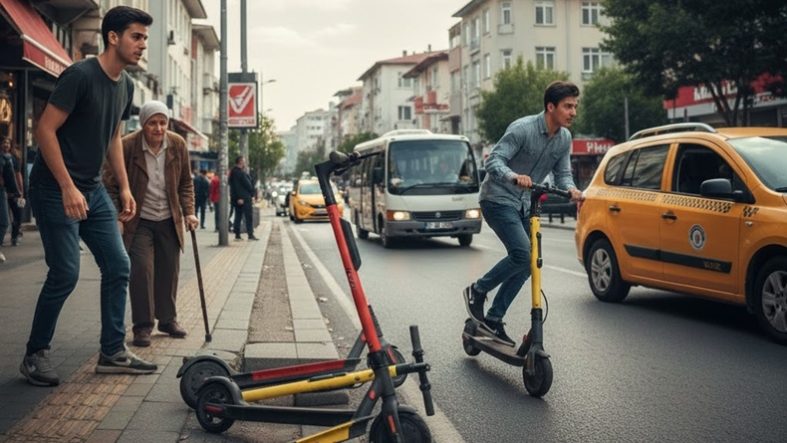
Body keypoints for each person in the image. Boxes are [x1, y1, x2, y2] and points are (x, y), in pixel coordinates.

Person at [20, 6, 157, 387]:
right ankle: (35, 354)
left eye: (144, 38)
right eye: (137, 36)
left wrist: (125, 186)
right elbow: (45, 130)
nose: (142, 45)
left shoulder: (126, 85)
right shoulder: (79, 75)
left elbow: (112, 135)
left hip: (93, 189)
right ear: (113, 37)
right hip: (53, 187)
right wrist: (66, 187)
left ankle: (113, 351)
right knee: (65, 272)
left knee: (119, 265)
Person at [463, 81, 583, 347]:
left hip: (525, 204)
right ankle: (479, 289)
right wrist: (513, 176)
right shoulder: (522, 129)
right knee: (522, 253)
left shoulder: (564, 138)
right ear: (550, 106)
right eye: (568, 106)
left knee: (530, 263)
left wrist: (572, 189)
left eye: (575, 106)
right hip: (497, 198)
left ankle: (493, 318)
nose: (573, 111)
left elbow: (563, 174)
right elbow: (493, 160)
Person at [103, 100, 198, 347]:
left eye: (162, 122)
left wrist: (189, 212)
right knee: (141, 271)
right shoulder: (126, 146)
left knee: (169, 270)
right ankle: (143, 326)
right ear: (143, 124)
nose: (158, 128)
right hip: (139, 220)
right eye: (152, 123)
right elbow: (109, 182)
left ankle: (167, 320)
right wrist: (118, 213)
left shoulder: (177, 144)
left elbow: (186, 183)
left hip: (169, 218)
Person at [228, 155, 258, 241]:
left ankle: (238, 234)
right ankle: (250, 234)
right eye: (244, 161)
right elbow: (237, 186)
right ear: (240, 161)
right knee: (247, 216)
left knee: (239, 216)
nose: (245, 163)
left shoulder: (237, 172)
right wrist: (239, 198)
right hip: (243, 198)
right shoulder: (237, 172)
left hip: (241, 198)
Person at [1, 137, 24, 247]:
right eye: (4, 142)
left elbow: (18, 174)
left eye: (8, 143)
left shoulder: (14, 158)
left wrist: (21, 190)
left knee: (18, 215)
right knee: (4, 219)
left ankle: (14, 237)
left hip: (14, 192)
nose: (6, 145)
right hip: (4, 192)